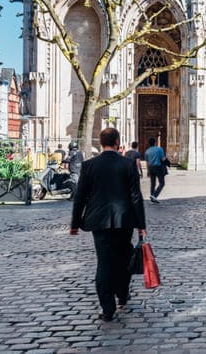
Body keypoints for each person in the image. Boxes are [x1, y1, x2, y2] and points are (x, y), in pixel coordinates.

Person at [70, 127, 146, 322]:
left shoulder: (89, 166)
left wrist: (75, 223)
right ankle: (122, 294)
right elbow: (136, 197)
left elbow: (80, 197)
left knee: (104, 263)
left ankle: (107, 309)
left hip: (99, 221)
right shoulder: (128, 164)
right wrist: (141, 225)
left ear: (101, 143)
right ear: (117, 142)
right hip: (124, 221)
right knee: (123, 257)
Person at [144, 138, 166, 204]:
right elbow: (163, 159)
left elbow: (147, 162)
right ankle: (154, 195)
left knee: (152, 183)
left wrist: (147, 171)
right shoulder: (159, 149)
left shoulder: (147, 151)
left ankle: (152, 198)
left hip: (150, 168)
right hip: (158, 167)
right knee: (162, 183)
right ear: (155, 143)